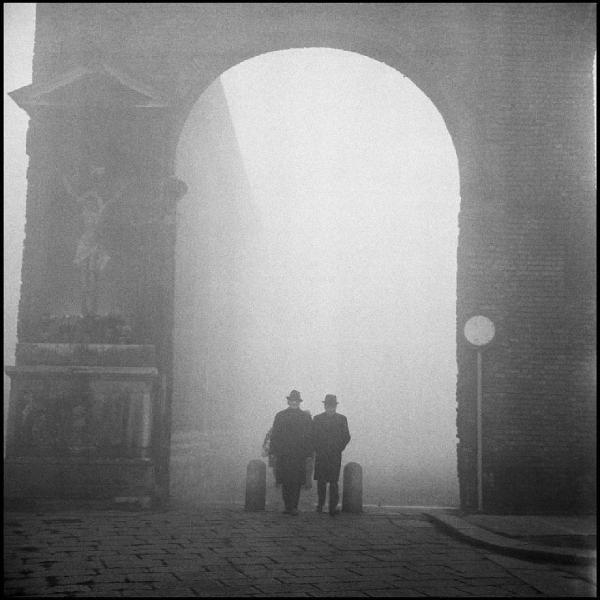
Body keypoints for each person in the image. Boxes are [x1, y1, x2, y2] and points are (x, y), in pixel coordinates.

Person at [269, 389, 313, 515]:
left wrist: (309, 453)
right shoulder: (280, 415)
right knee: (286, 480)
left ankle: (294, 506)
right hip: (284, 453)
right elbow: (275, 434)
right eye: (292, 400)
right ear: (288, 401)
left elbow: (309, 436)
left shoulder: (305, 417)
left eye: (296, 401)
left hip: (299, 454)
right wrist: (273, 451)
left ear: (299, 402)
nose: (294, 403)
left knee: (297, 481)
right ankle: (288, 506)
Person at [313, 394, 351, 515]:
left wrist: (339, 448)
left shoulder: (342, 419)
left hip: (334, 454)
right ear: (325, 406)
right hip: (321, 454)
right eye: (328, 405)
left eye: (332, 405)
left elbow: (346, 436)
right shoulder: (317, 419)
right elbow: (312, 435)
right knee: (321, 481)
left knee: (334, 482)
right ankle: (320, 505)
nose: (330, 407)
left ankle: (332, 507)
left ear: (335, 406)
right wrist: (317, 448)